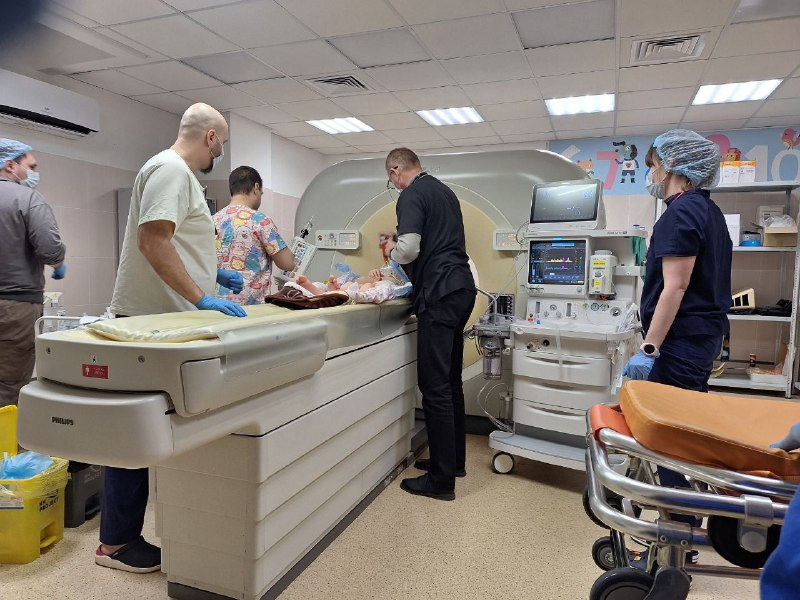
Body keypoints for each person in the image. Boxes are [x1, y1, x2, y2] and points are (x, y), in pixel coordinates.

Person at [99, 103, 246, 574]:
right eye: (221, 144)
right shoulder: (170, 170)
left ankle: (135, 534)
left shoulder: (177, 175)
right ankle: (117, 543)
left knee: (153, 428)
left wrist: (211, 271)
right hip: (151, 324)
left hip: (165, 322)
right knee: (134, 434)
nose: (219, 154)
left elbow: (175, 240)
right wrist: (202, 297)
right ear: (210, 137)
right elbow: (153, 241)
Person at [622, 129, 731, 565]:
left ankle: (678, 547)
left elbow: (676, 287)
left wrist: (649, 349)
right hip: (699, 339)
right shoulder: (708, 211)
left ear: (672, 167)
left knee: (669, 442)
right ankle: (681, 530)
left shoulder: (681, 213)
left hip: (680, 343)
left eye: (653, 165)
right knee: (683, 435)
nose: (651, 173)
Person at [382, 147, 476, 501]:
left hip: (439, 293)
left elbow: (408, 249)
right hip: (462, 289)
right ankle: (451, 462)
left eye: (391, 179)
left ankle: (440, 481)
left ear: (395, 171)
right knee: (450, 382)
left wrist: (390, 254)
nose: (393, 184)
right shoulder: (444, 192)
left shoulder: (411, 195)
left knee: (434, 386)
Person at [0, 138, 66, 407]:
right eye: (31, 166)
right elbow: (50, 249)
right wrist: (59, 265)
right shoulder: (27, 199)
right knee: (9, 384)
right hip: (15, 307)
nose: (33, 172)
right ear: (10, 165)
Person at [213, 166, 295, 304]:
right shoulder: (260, 220)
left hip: (218, 304)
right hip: (251, 307)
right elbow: (287, 263)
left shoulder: (213, 219)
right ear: (256, 188)